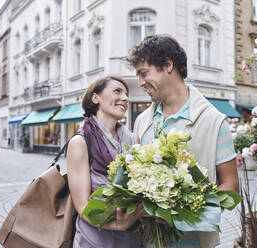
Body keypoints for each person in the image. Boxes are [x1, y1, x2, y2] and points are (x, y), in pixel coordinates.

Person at [128, 34, 239, 248]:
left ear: (168, 65)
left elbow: (231, 187)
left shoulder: (213, 121)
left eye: (144, 73)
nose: (140, 82)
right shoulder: (142, 121)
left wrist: (181, 210)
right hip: (147, 240)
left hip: (195, 242)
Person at [66, 76, 145, 248]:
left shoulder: (134, 140)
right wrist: (117, 224)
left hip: (133, 240)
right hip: (94, 241)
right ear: (96, 98)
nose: (125, 98)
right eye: (117, 91)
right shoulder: (80, 142)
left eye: (126, 94)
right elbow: (83, 206)